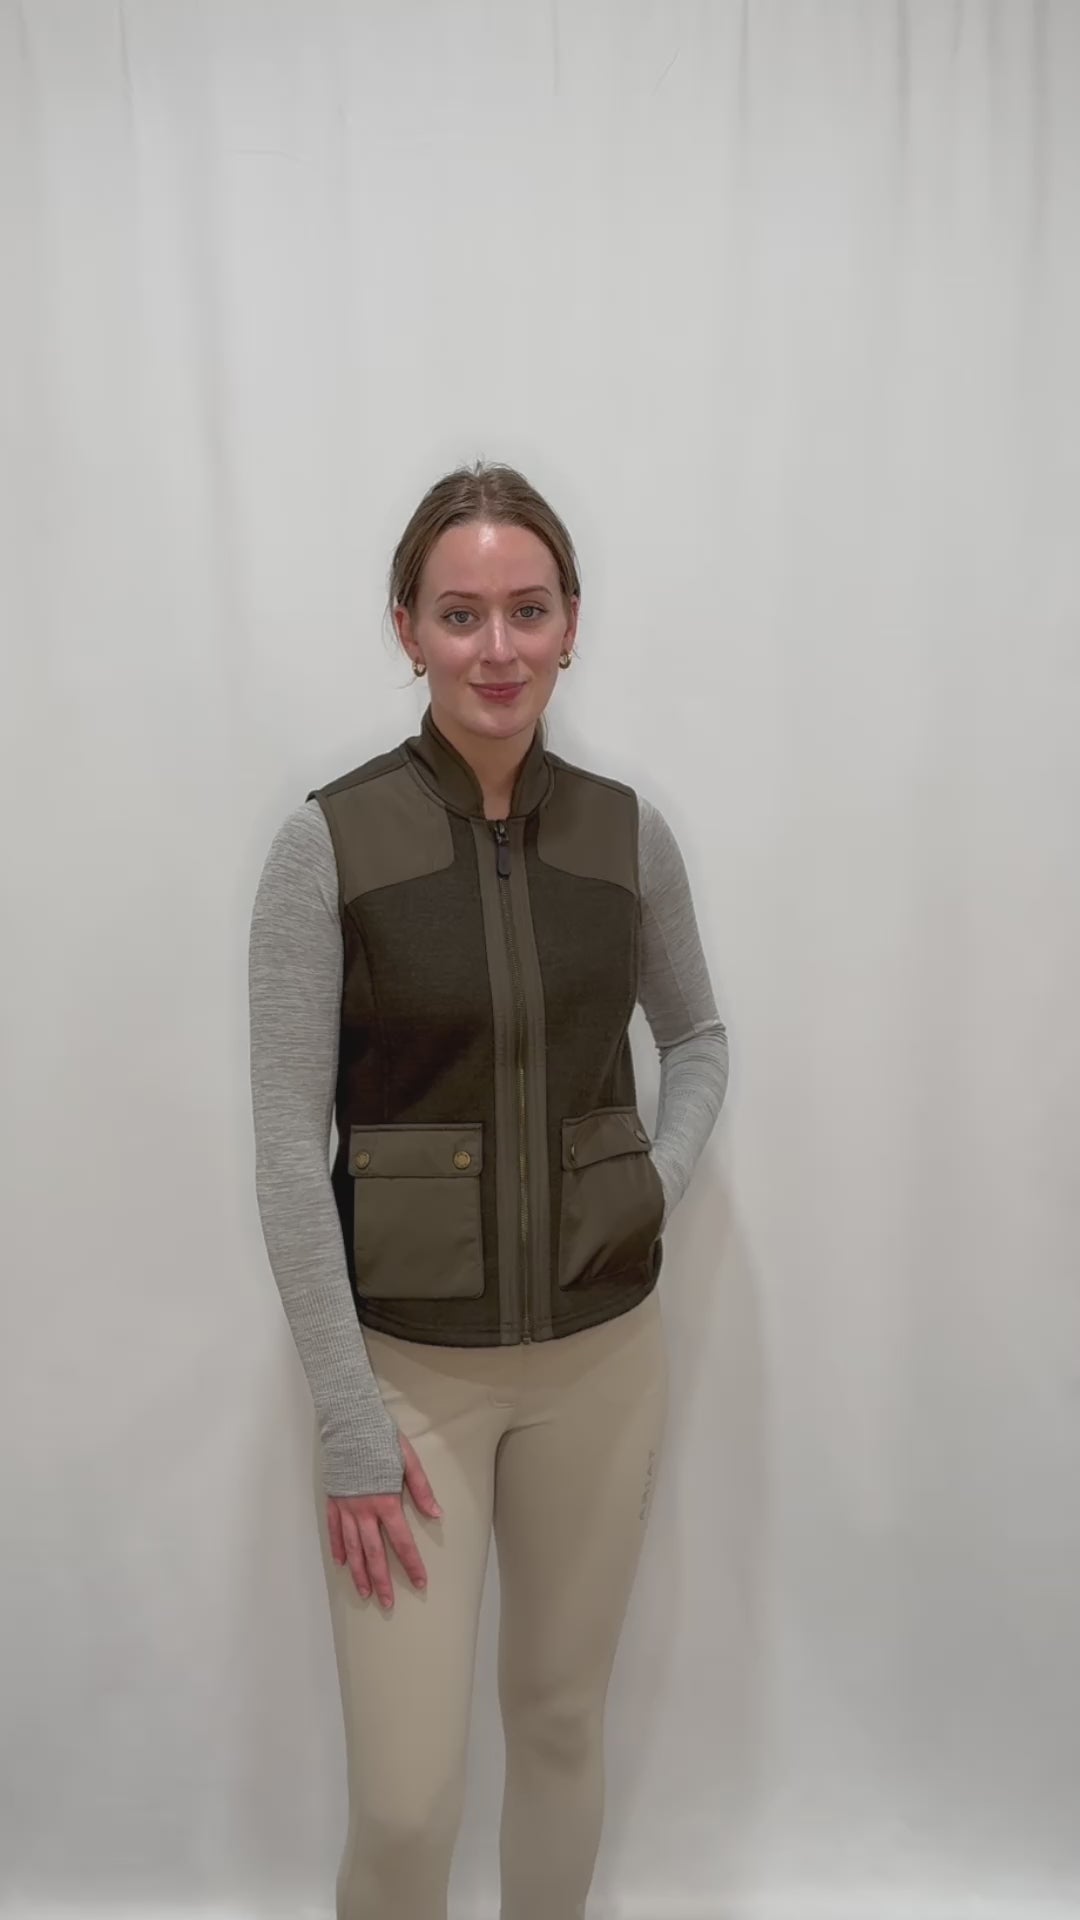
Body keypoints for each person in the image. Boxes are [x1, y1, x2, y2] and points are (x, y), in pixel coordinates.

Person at [247, 461, 728, 1920]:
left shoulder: (625, 834)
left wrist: (652, 1184)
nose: (498, 647)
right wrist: (349, 1421)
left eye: (528, 609)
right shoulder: (329, 846)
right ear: (406, 630)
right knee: (405, 1803)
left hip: (602, 1369)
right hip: (408, 1389)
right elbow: (286, 1145)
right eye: (461, 615)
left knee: (562, 1724)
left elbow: (696, 1038)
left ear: (573, 622)